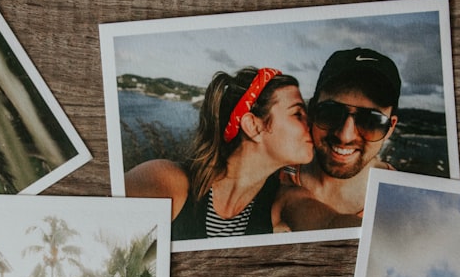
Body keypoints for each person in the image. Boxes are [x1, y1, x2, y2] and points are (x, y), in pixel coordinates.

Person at [124, 67, 314, 240]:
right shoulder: (167, 183)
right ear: (253, 126)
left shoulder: (279, 203)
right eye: (298, 114)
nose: (311, 124)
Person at [274, 48, 401, 229]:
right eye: (330, 113)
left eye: (370, 121)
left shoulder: (400, 204)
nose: (345, 135)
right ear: (312, 110)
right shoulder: (273, 172)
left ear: (390, 128)